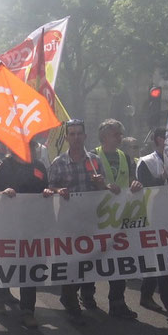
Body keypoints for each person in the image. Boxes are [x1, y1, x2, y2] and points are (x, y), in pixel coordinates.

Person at [44, 119, 106, 324]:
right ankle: (69, 297)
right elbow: (49, 188)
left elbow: (103, 189)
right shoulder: (59, 162)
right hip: (68, 221)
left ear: (85, 136)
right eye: (72, 134)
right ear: (67, 138)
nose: (76, 137)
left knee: (89, 258)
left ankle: (87, 294)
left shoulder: (95, 161)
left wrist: (102, 184)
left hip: (90, 218)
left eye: (79, 133)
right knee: (71, 260)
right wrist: (57, 191)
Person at [81, 119, 142, 319]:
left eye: (120, 134)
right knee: (93, 257)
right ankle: (87, 294)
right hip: (96, 217)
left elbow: (133, 178)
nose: (120, 137)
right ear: (105, 136)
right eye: (116, 134)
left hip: (120, 217)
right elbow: (86, 182)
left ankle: (117, 302)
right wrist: (104, 185)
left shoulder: (125, 156)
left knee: (120, 260)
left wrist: (135, 184)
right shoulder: (91, 156)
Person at [0, 143, 50, 328]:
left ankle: (28, 310)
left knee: (31, 265)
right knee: (6, 262)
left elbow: (47, 189)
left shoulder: (39, 166)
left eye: (32, 146)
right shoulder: (1, 165)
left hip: (32, 225)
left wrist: (47, 192)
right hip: (6, 224)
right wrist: (1, 193)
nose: (30, 149)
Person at [135, 127, 168, 318]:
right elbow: (144, 188)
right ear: (158, 140)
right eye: (167, 138)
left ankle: (146, 295)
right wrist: (162, 178)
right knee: (163, 260)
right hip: (152, 217)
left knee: (158, 259)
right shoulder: (146, 162)